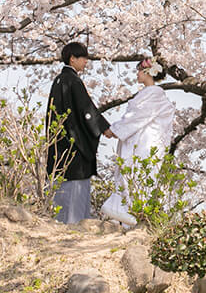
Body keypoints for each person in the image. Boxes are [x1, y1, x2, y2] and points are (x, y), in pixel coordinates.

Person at [100, 58, 177, 227]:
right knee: (133, 177)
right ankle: (127, 217)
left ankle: (131, 217)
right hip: (141, 141)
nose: (137, 74)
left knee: (137, 176)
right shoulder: (150, 93)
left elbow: (136, 117)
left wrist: (114, 130)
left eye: (139, 71)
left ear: (147, 73)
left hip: (144, 143)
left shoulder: (154, 94)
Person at [46, 41, 115, 224]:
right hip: (73, 144)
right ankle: (76, 223)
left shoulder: (59, 80)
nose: (86, 62)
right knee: (76, 181)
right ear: (72, 58)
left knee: (62, 184)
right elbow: (86, 110)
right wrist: (103, 128)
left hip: (61, 144)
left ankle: (61, 221)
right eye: (83, 58)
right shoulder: (73, 80)